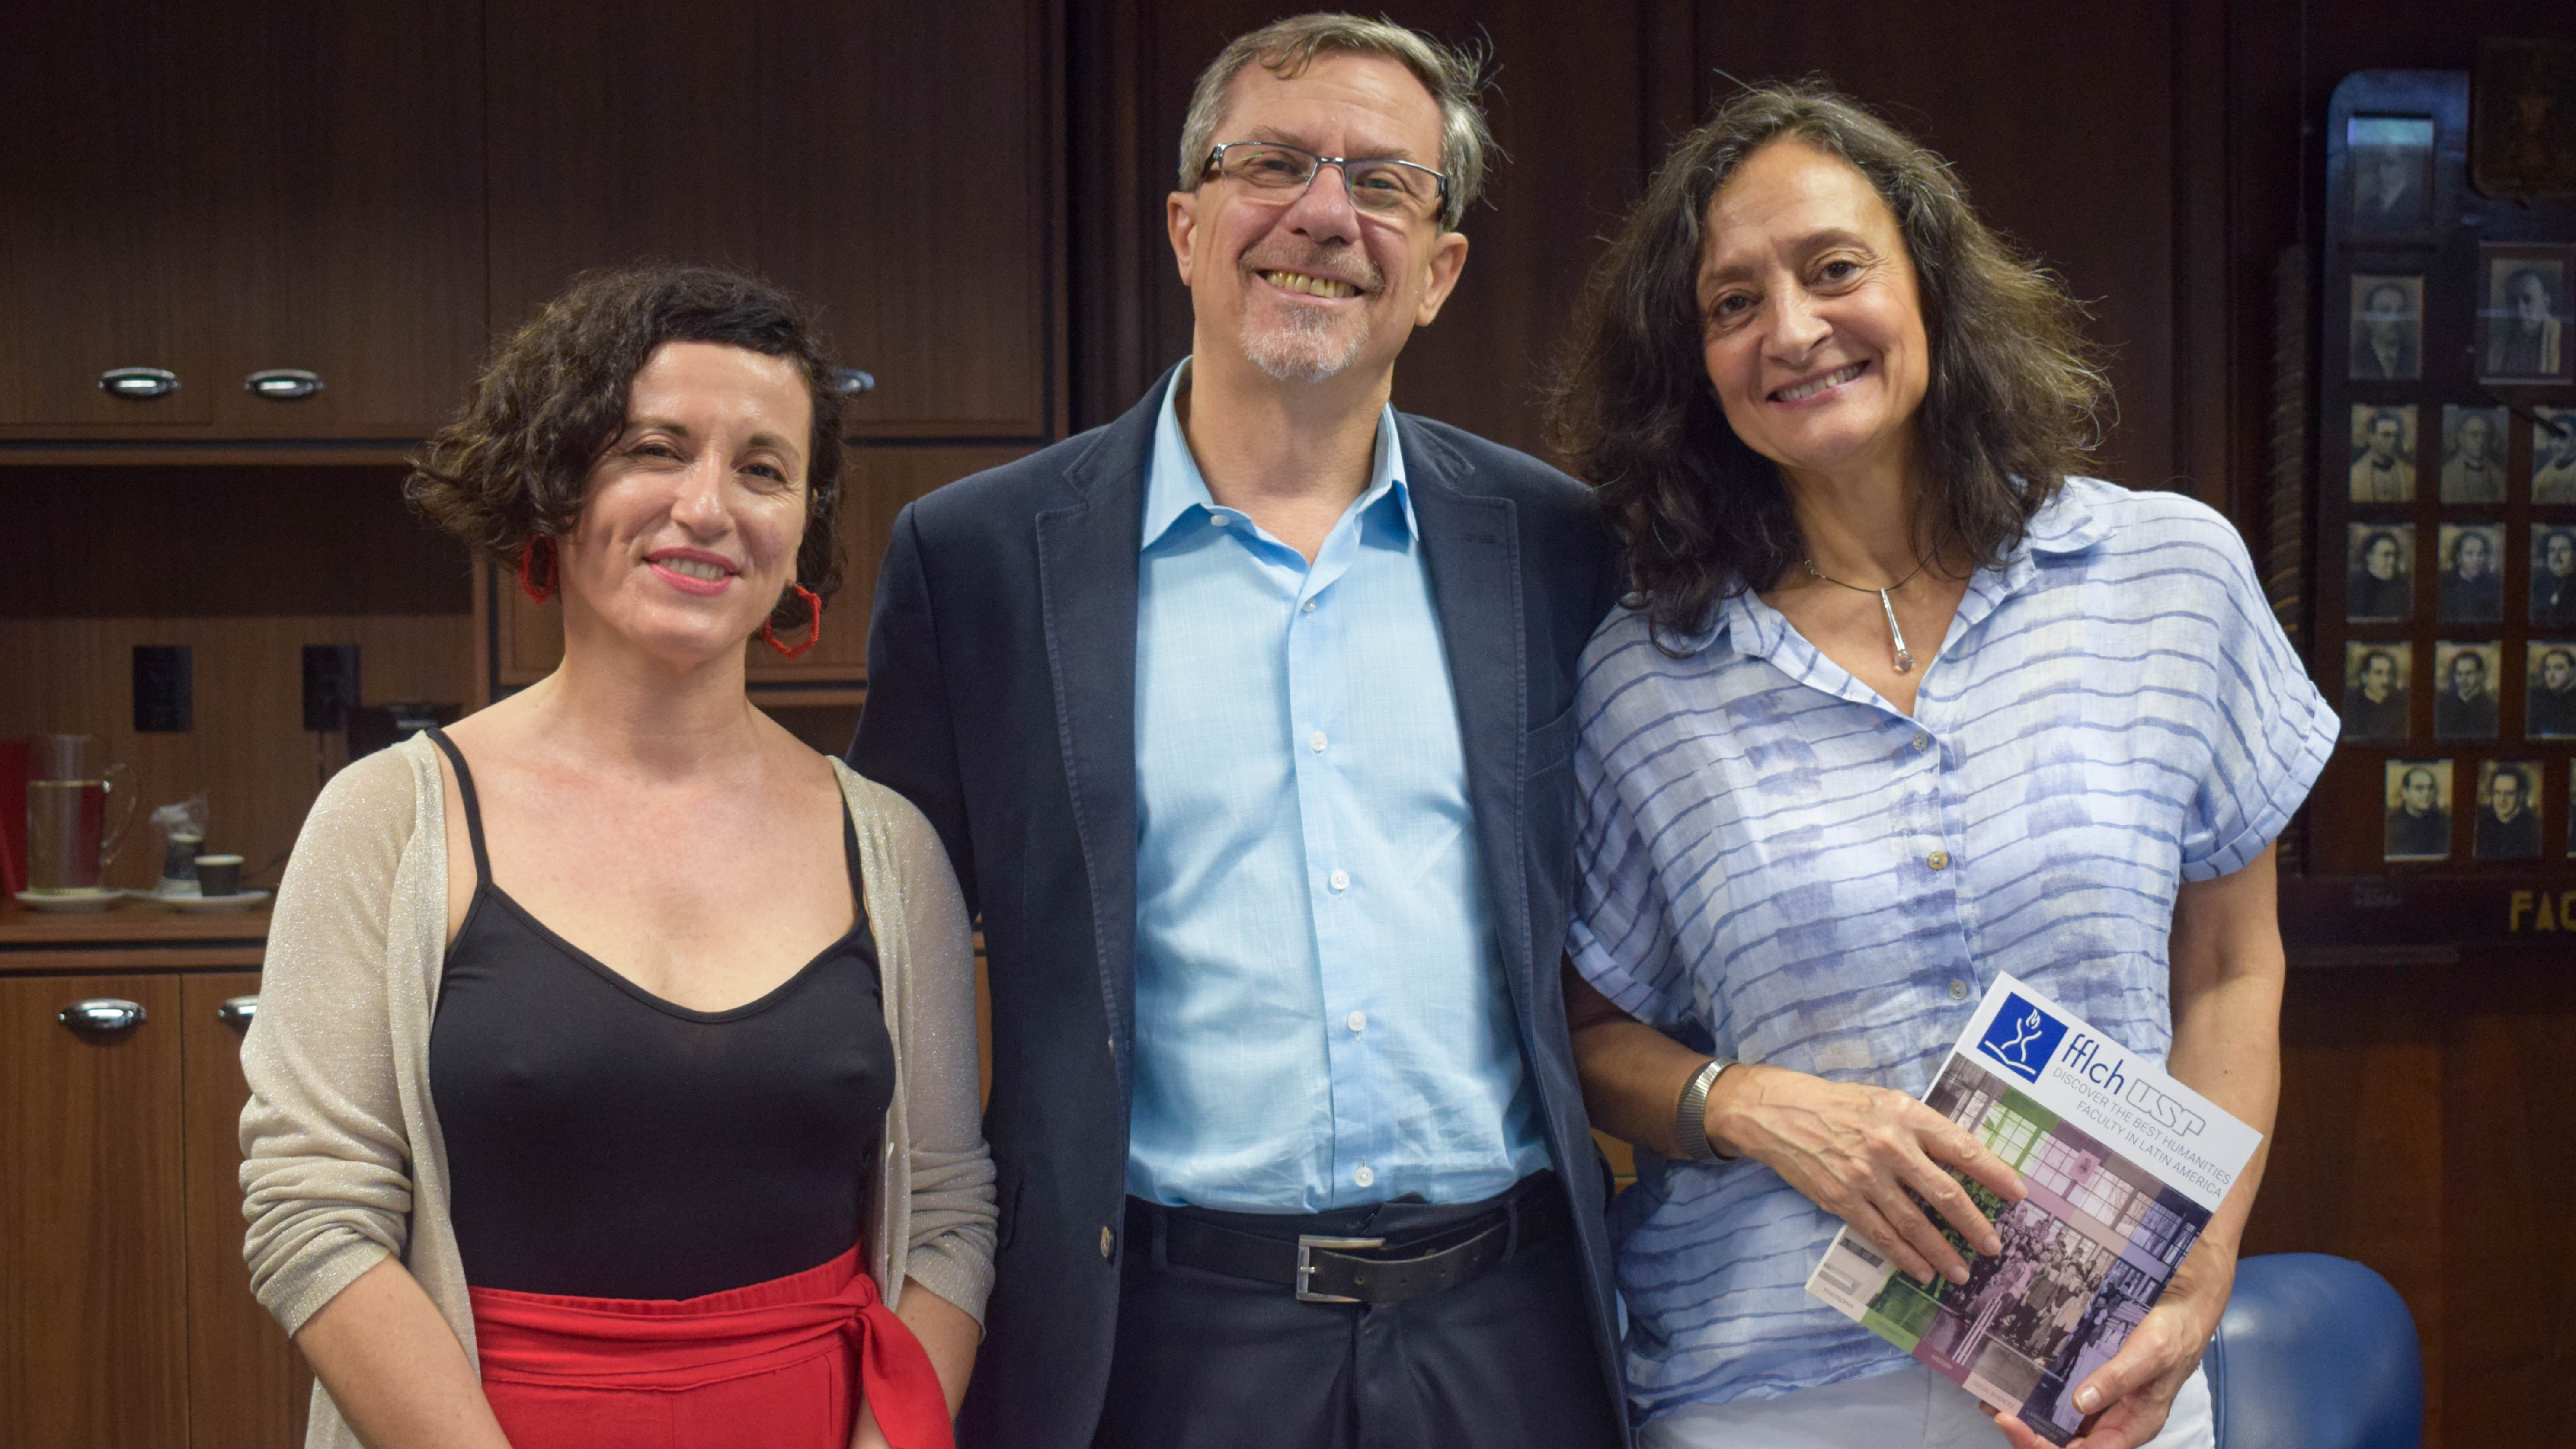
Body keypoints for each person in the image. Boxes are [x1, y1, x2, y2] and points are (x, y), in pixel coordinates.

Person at [848, 16, 1626, 1449]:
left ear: (1438, 268)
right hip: (1157, 1343)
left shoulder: (1560, 551)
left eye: (1383, 184)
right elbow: (879, 976)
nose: (1322, 215)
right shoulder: (980, 561)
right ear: (1187, 224)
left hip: (1508, 1333)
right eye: (1271, 163)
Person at [1546, 84, 2334, 1449]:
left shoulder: (2166, 573)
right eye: (1728, 305)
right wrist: (1749, 1104)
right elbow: (1578, 1029)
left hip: (2106, 1375)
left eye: (1830, 268)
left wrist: (2194, 1274)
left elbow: (2226, 965)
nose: (1789, 329)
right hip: (1766, 1392)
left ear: (1928, 280)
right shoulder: (1638, 670)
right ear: (1691, 364)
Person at [238, 266, 994, 1449]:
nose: (707, 506)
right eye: (654, 447)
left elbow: (949, 1214)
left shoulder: (889, 845)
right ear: (555, 484)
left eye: (762, 468)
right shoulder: (386, 819)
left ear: (801, 530)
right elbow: (312, 1214)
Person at [2489, 266, 2564, 377]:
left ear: (2546, 303)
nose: (2520, 310)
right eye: (2512, 302)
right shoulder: (2498, 345)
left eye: (2528, 300)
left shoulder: (2562, 339)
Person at [2348, 283, 2418, 381]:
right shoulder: (2354, 359)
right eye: (2385, 311)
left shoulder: (2415, 359)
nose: (2395, 320)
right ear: (2369, 320)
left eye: (2401, 311)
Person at [2438, 410, 2506, 502]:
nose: (2481, 441)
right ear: (2461, 438)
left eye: (2485, 435)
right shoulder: (2446, 475)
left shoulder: (2499, 474)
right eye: (2475, 435)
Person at [2341, 650, 2408, 742]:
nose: (2386, 680)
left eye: (2389, 674)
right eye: (2379, 673)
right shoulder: (2350, 706)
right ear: (2365, 677)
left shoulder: (2402, 705)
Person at [2476, 767, 2542, 860]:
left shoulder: (2533, 828)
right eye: (2498, 793)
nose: (2502, 800)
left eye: (2509, 793)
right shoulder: (2483, 827)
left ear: (2521, 796)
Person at [2347, 411, 2413, 501]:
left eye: (2396, 436)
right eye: (2386, 435)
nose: (2393, 441)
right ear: (2371, 438)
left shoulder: (2410, 474)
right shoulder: (2354, 475)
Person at [2386, 768, 2451, 859]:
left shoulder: (2445, 822)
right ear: (2405, 793)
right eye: (2419, 788)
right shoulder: (2391, 825)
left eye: (2430, 788)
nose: (2427, 793)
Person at [2438, 529, 2501, 621]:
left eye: (2480, 554)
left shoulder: (2494, 586)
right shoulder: (2444, 585)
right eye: (2469, 554)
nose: (2476, 560)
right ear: (2459, 557)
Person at [2434, 649, 2499, 739]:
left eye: (2469, 674)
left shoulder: (2491, 709)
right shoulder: (2444, 706)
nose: (2463, 679)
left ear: (2480, 675)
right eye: (2459, 674)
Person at [2348, 529, 2412, 620]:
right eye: (2386, 555)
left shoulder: (2402, 584)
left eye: (2395, 555)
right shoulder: (2355, 584)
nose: (2392, 561)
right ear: (2370, 556)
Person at [2532, 648, 2576, 737]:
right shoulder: (2536, 697)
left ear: (2573, 671)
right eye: (2548, 669)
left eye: (2559, 668)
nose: (2551, 675)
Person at [2535, 530, 2576, 625]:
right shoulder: (2538, 583)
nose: (2557, 556)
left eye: (2563, 550)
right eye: (2552, 550)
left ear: (2574, 554)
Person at [2535, 413, 2576, 502]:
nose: (2556, 444)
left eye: (2563, 437)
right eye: (2553, 437)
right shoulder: (2542, 476)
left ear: (2575, 440)